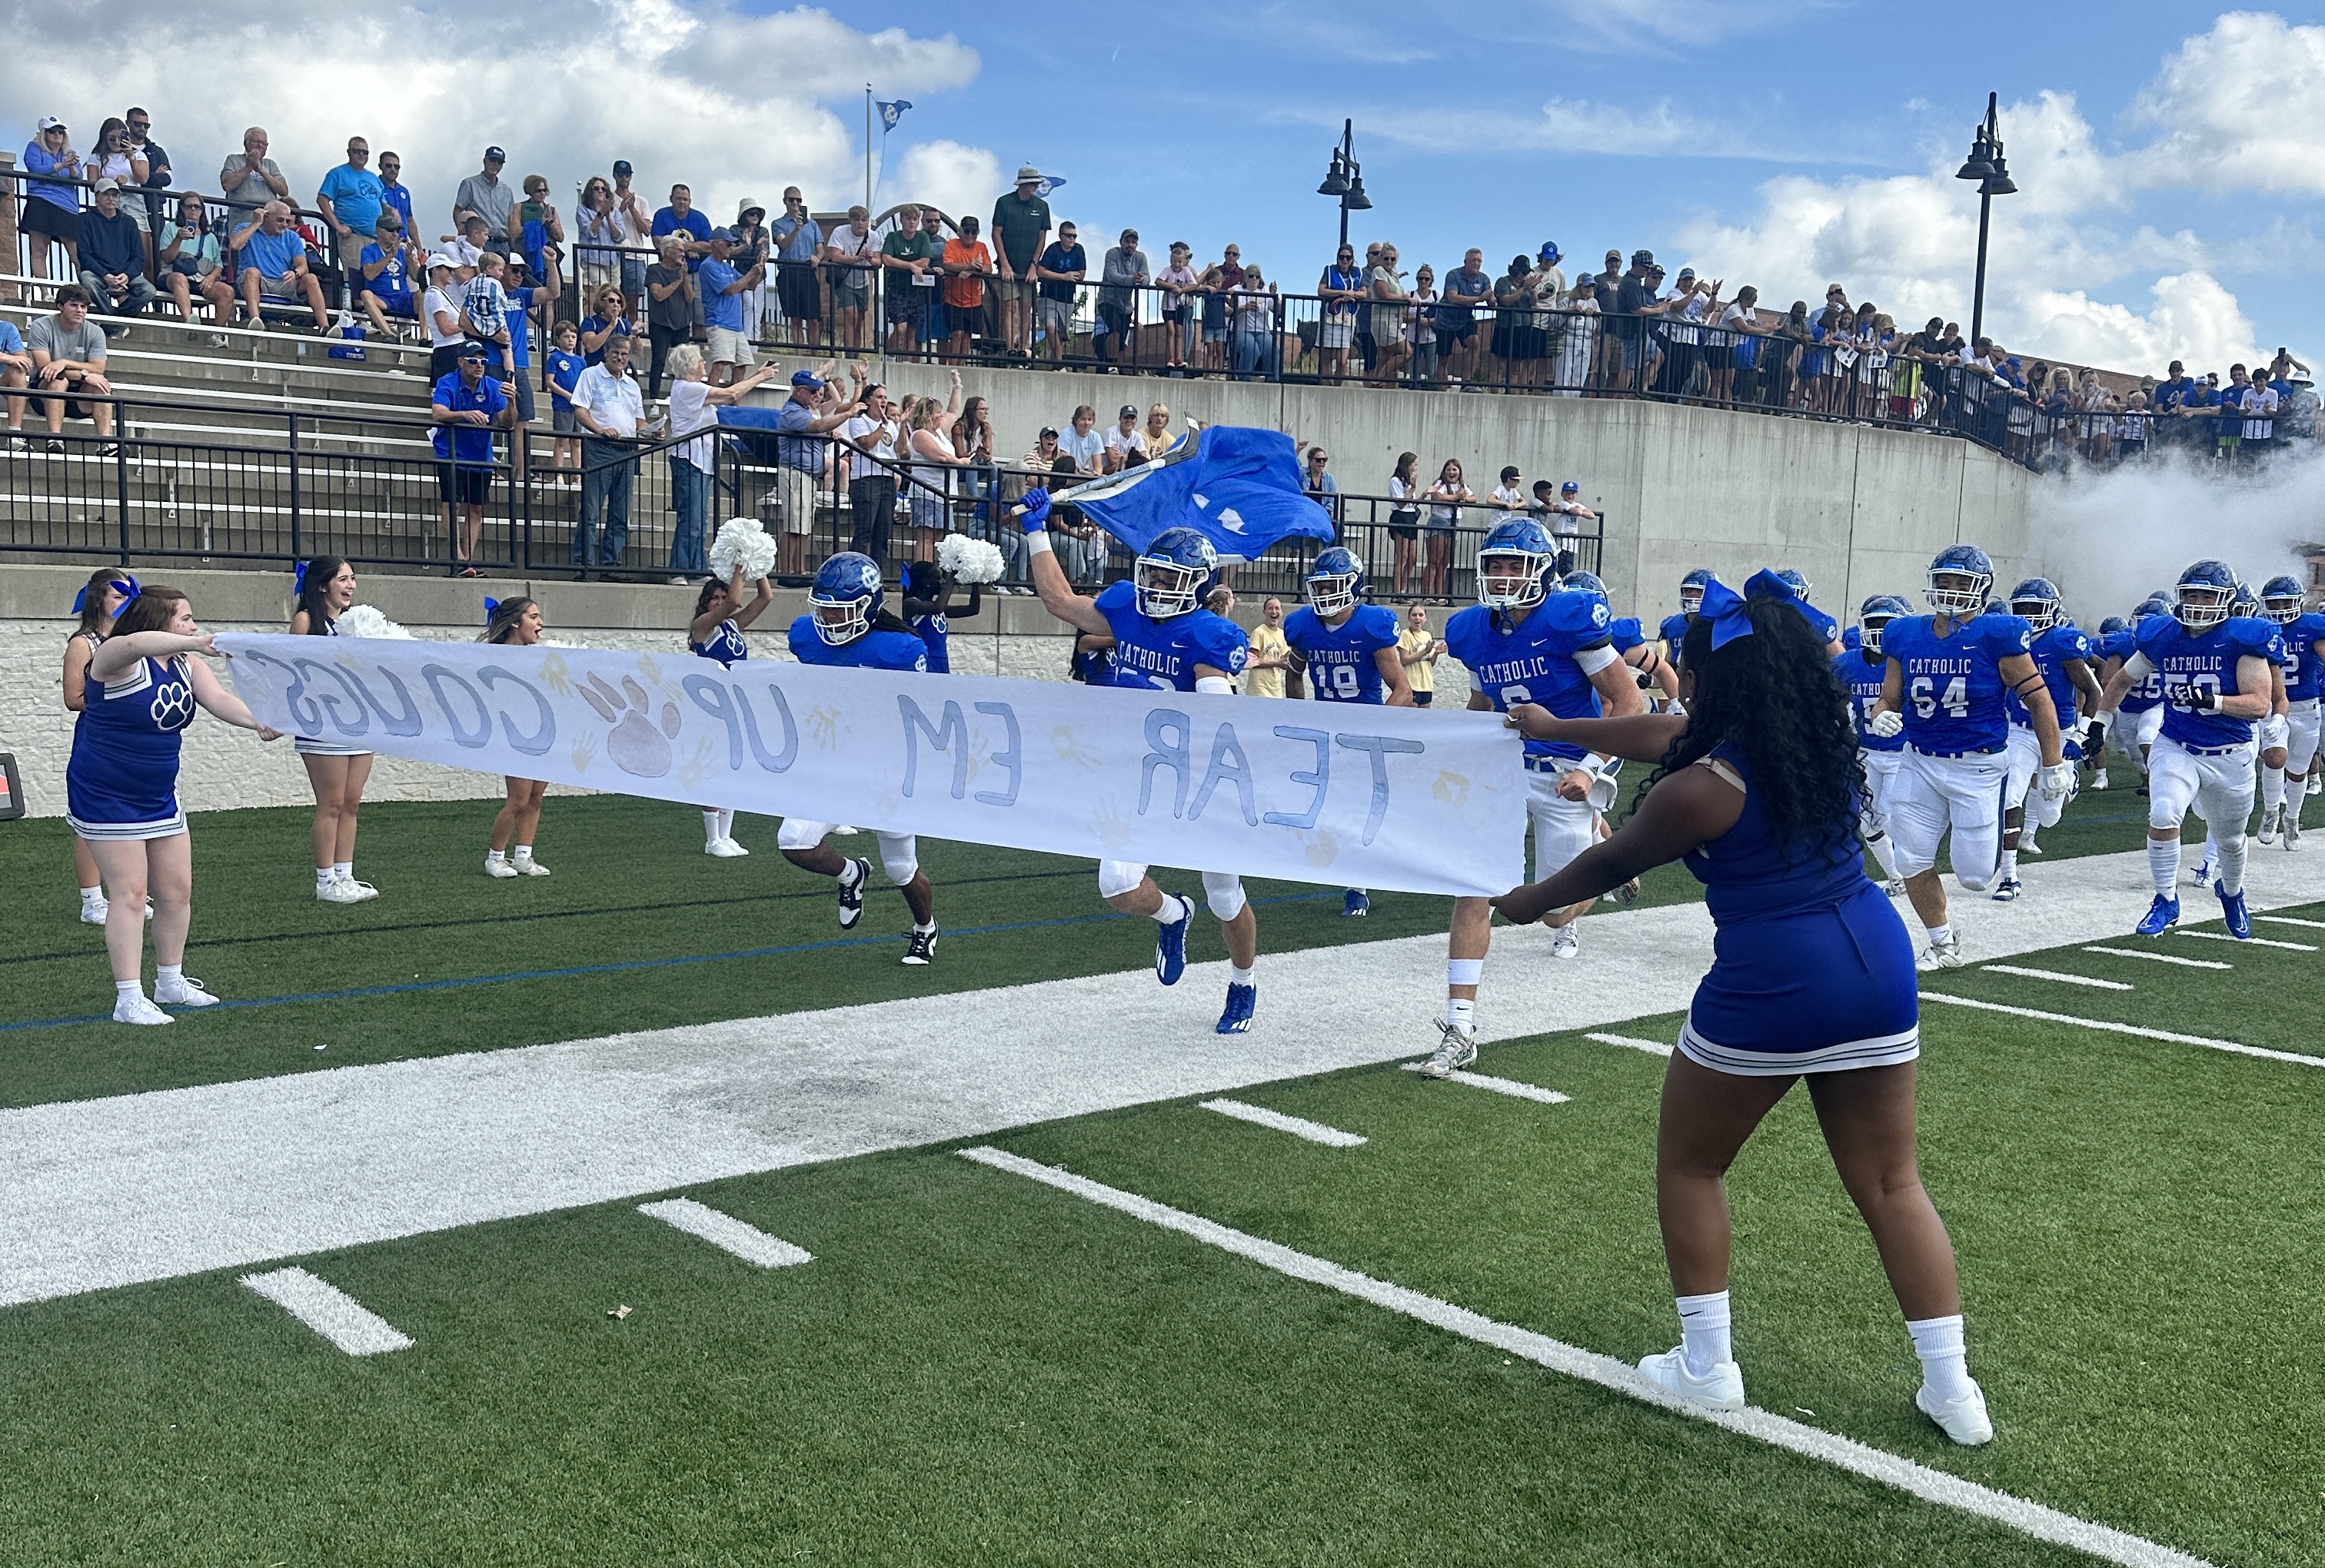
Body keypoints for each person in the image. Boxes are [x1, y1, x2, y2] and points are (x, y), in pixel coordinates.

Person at [1488, 570, 1991, 1446]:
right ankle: (1955, 1391)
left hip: (1777, 974)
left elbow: (1610, 862)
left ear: (1708, 678)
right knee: (1891, 1183)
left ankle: (1707, 1366)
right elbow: (1665, 731)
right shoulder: (1813, 737)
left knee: (1691, 1166)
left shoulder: (1699, 787)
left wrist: (1524, 902)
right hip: (1877, 958)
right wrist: (1556, 725)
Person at [1017, 491, 1259, 1033]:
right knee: (1118, 885)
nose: (1155, 586)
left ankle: (1243, 983)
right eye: (1152, 573)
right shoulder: (1128, 607)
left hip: (1199, 781)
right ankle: (1175, 914)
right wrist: (1036, 530)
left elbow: (1218, 714)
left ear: (1197, 587)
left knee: (1225, 896)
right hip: (1142, 778)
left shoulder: (1208, 634)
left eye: (1170, 578)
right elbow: (1059, 600)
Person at [1422, 517, 1645, 1078]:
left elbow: (1629, 703)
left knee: (1551, 914)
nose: (1502, 575)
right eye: (1494, 564)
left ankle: (1607, 861)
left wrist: (1591, 770)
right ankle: (1460, 1029)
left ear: (1542, 571)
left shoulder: (1569, 618)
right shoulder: (1472, 630)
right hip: (1507, 770)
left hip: (1567, 771)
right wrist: (1449, 753)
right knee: (1475, 886)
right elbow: (1482, 706)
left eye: (1514, 565)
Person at [68, 584, 284, 1025]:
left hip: (158, 794)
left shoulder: (186, 664)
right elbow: (133, 643)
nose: (193, 626)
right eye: (185, 618)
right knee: (130, 895)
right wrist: (195, 642)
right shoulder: (114, 658)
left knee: (176, 892)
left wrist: (258, 723)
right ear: (158, 621)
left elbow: (220, 700)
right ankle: (128, 998)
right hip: (107, 793)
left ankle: (170, 981)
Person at [1868, 546, 2067, 968]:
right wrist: (1881, 715)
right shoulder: (1905, 634)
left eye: (1962, 582)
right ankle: (1943, 944)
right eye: (1945, 581)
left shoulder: (1996, 635)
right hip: (1919, 761)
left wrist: (2054, 763)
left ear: (1983, 588)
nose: (1952, 590)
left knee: (1975, 877)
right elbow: (1888, 697)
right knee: (1910, 858)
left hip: (1978, 766)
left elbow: (2040, 702)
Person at [2094, 560, 2277, 940]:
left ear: (2226, 600)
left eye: (2207, 596)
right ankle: (2166, 899)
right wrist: (2098, 722)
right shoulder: (2164, 635)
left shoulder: (2242, 638)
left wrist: (2213, 701)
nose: (2197, 603)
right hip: (2176, 745)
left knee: (2230, 841)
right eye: (2191, 594)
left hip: (2230, 753)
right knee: (2163, 813)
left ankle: (2232, 893)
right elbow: (2123, 679)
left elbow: (2260, 704)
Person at [783, 553, 941, 964]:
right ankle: (851, 873)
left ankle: (925, 928)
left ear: (868, 607)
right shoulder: (806, 636)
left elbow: (924, 710)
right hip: (833, 765)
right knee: (794, 841)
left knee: (901, 870)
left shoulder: (900, 650)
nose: (829, 619)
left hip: (885, 770)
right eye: (824, 609)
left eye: (840, 611)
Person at [1283, 546, 1413, 918]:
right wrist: (1300, 716)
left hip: (1363, 729)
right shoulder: (1303, 626)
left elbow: (1403, 691)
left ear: (1353, 586)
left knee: (1361, 808)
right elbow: (1294, 673)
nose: (1325, 594)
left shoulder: (1371, 624)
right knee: (1328, 805)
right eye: (1320, 587)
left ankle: (1358, 886)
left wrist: (1371, 730)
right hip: (1327, 729)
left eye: (1333, 586)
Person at [1991, 580, 2100, 899]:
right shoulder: (2006, 641)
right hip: (2021, 731)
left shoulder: (2062, 643)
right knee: (2010, 797)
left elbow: (2093, 691)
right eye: (2022, 608)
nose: (2028, 614)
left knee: (2050, 817)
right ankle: (2009, 876)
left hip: (2059, 731)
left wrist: (2081, 733)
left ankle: (2069, 782)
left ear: (2052, 610)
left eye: (2034, 608)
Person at [284, 557, 381, 902]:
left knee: (352, 802)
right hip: (322, 722)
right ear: (323, 585)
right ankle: (325, 882)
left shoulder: (358, 622)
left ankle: (345, 875)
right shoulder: (306, 620)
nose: (351, 585)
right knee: (332, 803)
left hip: (361, 721)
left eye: (352, 578)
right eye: (343, 579)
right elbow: (292, 670)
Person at [62, 570, 146, 924]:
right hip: (98, 737)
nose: (126, 603)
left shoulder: (134, 639)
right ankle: (92, 900)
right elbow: (72, 697)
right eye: (118, 596)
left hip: (131, 738)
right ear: (98, 600)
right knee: (92, 819)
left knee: (131, 814)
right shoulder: (83, 643)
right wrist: (116, 699)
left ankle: (126, 891)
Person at [664, 344, 778, 580]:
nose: (704, 363)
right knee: (691, 517)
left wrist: (756, 375)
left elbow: (729, 396)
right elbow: (731, 394)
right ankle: (679, 569)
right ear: (690, 365)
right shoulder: (688, 388)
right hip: (689, 459)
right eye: (700, 360)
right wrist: (760, 377)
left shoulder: (693, 389)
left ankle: (695, 567)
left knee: (699, 518)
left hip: (701, 460)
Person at [689, 562, 777, 856]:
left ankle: (726, 836)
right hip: (712, 705)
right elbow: (735, 600)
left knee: (733, 766)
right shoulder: (702, 627)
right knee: (713, 768)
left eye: (722, 597)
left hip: (736, 703)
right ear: (705, 603)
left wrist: (756, 562)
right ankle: (712, 839)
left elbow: (765, 597)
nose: (720, 602)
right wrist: (739, 566)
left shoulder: (733, 625)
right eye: (714, 598)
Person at [1838, 595, 1911, 895]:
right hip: (1866, 751)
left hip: (1901, 753)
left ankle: (1916, 869)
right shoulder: (1847, 663)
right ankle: (1897, 877)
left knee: (1889, 818)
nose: (1880, 631)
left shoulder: (1907, 661)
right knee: (1867, 821)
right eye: (1875, 623)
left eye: (1887, 624)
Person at [481, 596, 552, 879]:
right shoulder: (496, 657)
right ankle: (495, 858)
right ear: (514, 622)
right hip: (514, 735)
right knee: (518, 800)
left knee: (536, 797)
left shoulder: (540, 658)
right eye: (533, 617)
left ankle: (524, 856)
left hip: (542, 734)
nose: (540, 623)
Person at [428, 340, 509, 576]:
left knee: (476, 509)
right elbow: (438, 413)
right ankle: (458, 558)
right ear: (461, 362)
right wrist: (464, 414)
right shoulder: (448, 381)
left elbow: (508, 422)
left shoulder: (492, 385)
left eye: (483, 361)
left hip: (480, 456)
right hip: (451, 453)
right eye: (473, 360)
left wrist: (513, 402)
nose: (479, 365)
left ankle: (468, 560)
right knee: (451, 504)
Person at [2257, 576, 2325, 845]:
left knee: (2298, 771)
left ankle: (2292, 819)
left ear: (2297, 601)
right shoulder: (2260, 629)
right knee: (2274, 757)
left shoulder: (2311, 626)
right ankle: (2271, 811)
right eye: (2274, 603)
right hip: (2273, 705)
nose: (2280, 608)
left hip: (2306, 707)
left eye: (2285, 602)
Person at [571, 337, 645, 580]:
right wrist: (600, 430)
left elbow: (640, 421)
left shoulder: (632, 385)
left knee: (620, 512)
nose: (620, 358)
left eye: (625, 354)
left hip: (628, 450)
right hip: (599, 448)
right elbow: (580, 410)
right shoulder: (590, 375)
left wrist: (653, 432)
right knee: (591, 509)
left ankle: (610, 565)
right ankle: (582, 565)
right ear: (606, 352)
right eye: (616, 352)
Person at [28, 286, 116, 452]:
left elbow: (98, 368)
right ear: (60, 306)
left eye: (83, 306)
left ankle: (106, 443)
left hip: (78, 396)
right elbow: (45, 369)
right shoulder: (41, 326)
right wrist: (84, 375)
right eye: (74, 305)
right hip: (43, 394)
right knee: (58, 381)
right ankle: (55, 439)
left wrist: (64, 363)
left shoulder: (95, 332)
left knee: (101, 386)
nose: (80, 310)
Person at [230, 202, 331, 332]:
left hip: (284, 283)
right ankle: (255, 320)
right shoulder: (245, 227)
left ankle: (325, 328)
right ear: (266, 217)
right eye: (280, 220)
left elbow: (303, 266)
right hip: (256, 282)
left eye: (287, 221)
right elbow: (234, 245)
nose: (285, 224)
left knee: (311, 278)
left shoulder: (292, 237)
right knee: (252, 272)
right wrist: (256, 223)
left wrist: (295, 273)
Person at [75, 180, 157, 334]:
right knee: (88, 281)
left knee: (149, 290)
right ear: (97, 196)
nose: (111, 198)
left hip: (124, 274)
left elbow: (139, 257)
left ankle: (113, 322)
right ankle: (116, 323)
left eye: (115, 195)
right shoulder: (84, 220)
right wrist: (105, 275)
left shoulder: (129, 222)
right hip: (98, 273)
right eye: (107, 194)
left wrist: (127, 275)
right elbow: (84, 255)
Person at [991, 167, 1053, 360]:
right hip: (1008, 266)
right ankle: (1010, 348)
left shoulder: (1042, 207)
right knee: (1009, 307)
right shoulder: (1004, 203)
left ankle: (1023, 349)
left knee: (1026, 308)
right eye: (1033, 183)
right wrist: (1004, 264)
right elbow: (996, 234)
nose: (1036, 187)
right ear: (1023, 184)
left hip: (1029, 269)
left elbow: (1042, 238)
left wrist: (1034, 265)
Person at [840, 384, 904, 566]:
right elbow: (866, 444)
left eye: (885, 397)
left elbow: (900, 450)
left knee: (883, 531)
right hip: (866, 479)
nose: (883, 401)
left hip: (888, 479)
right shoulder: (859, 420)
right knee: (865, 530)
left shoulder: (891, 425)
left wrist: (903, 425)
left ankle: (877, 572)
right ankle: (856, 569)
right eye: (879, 397)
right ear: (868, 400)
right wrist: (882, 426)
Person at [318, 138, 387, 287]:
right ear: (349, 152)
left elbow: (383, 204)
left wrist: (392, 211)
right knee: (356, 282)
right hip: (354, 237)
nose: (361, 155)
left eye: (365, 152)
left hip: (376, 239)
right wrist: (338, 226)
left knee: (379, 283)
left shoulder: (374, 178)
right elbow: (322, 199)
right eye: (357, 151)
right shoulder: (337, 174)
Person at [21, 117, 84, 281]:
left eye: (60, 131)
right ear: (44, 133)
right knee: (39, 250)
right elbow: (35, 169)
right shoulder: (34, 147)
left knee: (77, 253)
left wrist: (71, 165)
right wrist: (61, 165)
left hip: (67, 205)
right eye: (52, 131)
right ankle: (45, 292)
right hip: (41, 200)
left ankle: (87, 290)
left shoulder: (69, 153)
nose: (57, 134)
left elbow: (78, 177)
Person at [902, 558, 983, 673]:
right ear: (926, 583)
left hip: (941, 661)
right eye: (939, 578)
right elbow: (938, 608)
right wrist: (953, 577)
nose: (943, 582)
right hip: (923, 659)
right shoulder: (911, 603)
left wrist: (975, 582)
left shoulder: (937, 606)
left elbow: (973, 609)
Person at [354, 211, 420, 340]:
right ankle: (389, 334)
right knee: (365, 295)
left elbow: (417, 278)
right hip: (382, 298)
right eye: (390, 230)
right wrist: (389, 256)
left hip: (403, 298)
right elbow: (369, 275)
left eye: (397, 231)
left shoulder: (402, 251)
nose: (395, 234)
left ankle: (423, 337)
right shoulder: (369, 251)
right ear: (379, 231)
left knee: (423, 293)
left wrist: (411, 260)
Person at [880, 205, 936, 357]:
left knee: (912, 331)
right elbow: (887, 259)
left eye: (915, 219)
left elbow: (925, 261)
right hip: (896, 289)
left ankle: (907, 362)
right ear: (901, 220)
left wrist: (900, 263)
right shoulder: (893, 237)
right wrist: (910, 266)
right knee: (901, 327)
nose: (912, 222)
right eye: (908, 218)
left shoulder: (922, 237)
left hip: (916, 290)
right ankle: (889, 356)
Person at [823, 205, 877, 352]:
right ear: (850, 221)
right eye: (856, 220)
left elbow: (878, 262)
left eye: (864, 220)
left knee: (859, 321)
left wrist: (870, 258)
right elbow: (835, 256)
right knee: (850, 316)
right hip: (845, 280)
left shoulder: (873, 236)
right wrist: (856, 259)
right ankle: (849, 353)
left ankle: (856, 352)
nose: (860, 223)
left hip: (863, 282)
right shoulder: (840, 232)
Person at [1420, 459, 1474, 603]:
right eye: (1448, 470)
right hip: (1439, 522)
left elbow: (1473, 497)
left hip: (1454, 523)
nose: (1452, 472)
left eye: (1455, 470)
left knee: (1444, 563)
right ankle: (1427, 595)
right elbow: (1437, 496)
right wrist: (1456, 497)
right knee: (1434, 561)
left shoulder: (1461, 485)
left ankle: (1439, 595)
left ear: (1459, 472)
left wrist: (1464, 499)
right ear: (1444, 472)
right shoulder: (1440, 484)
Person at [940, 216, 992, 363]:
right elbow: (948, 265)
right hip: (953, 299)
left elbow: (988, 268)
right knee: (957, 334)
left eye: (974, 232)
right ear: (960, 231)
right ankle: (952, 366)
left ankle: (961, 368)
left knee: (967, 336)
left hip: (974, 301)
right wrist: (970, 265)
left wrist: (971, 271)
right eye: (967, 231)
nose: (970, 235)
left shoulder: (981, 247)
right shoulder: (951, 244)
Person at [1244, 594, 1291, 697]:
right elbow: (1252, 661)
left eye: (1277, 608)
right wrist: (1277, 663)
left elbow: (1284, 661)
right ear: (1264, 612)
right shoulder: (1259, 632)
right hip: (1259, 690)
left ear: (1281, 612)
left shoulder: (1282, 634)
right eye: (1270, 608)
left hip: (1276, 690)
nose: (1274, 612)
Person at [1398, 605, 1439, 706]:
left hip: (1426, 685)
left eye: (1421, 615)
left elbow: (1430, 663)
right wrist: (1425, 651)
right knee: (1411, 715)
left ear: (1425, 618)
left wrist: (1436, 653)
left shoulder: (1427, 635)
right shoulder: (1406, 634)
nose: (1417, 618)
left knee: (1425, 715)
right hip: (1412, 685)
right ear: (1409, 618)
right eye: (1414, 615)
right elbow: (1404, 660)